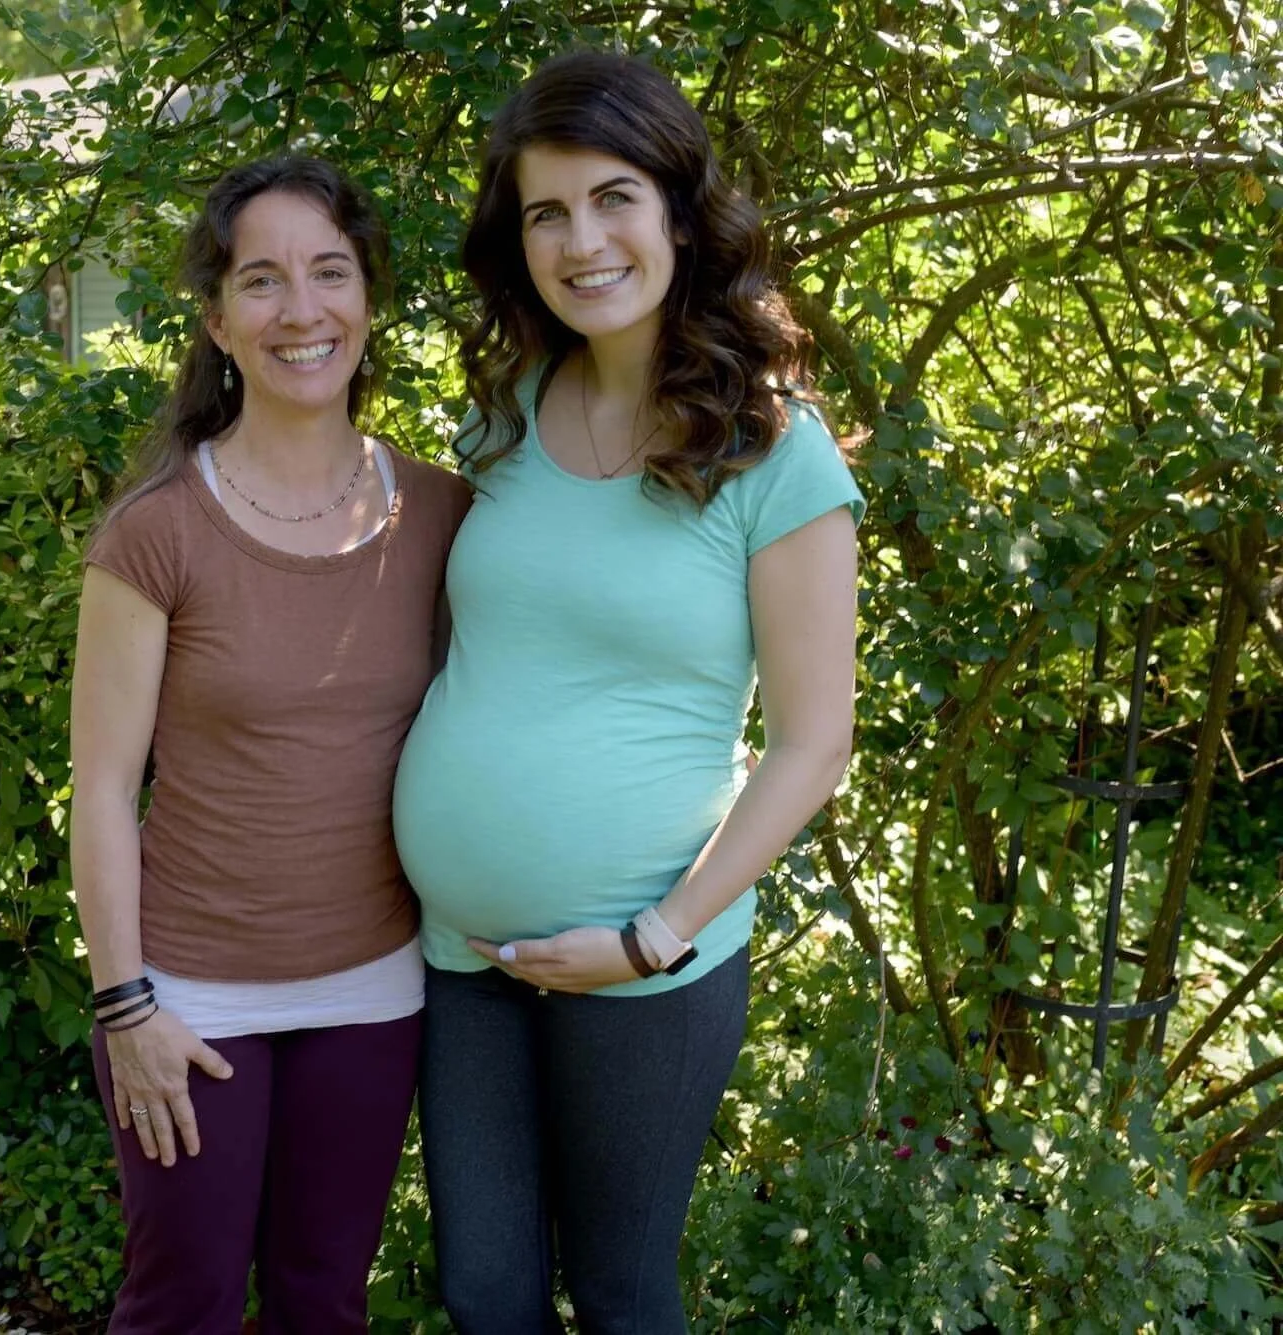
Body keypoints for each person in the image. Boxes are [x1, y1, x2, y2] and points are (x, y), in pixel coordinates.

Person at [391, 51, 864, 1333]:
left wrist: (652, 935)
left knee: (616, 1295)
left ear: (674, 213)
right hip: (460, 953)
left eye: (611, 199)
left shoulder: (772, 448)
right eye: (545, 212)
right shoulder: (504, 415)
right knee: (483, 1292)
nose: (580, 240)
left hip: (643, 967)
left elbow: (815, 742)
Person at [68, 155, 470, 1334]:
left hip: (372, 992)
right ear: (216, 321)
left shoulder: (441, 514)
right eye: (261, 281)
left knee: (320, 1303)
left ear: (367, 298)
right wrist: (125, 1007)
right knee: (180, 1307)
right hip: (188, 999)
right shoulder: (154, 535)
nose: (301, 310)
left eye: (329, 273)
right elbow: (97, 787)